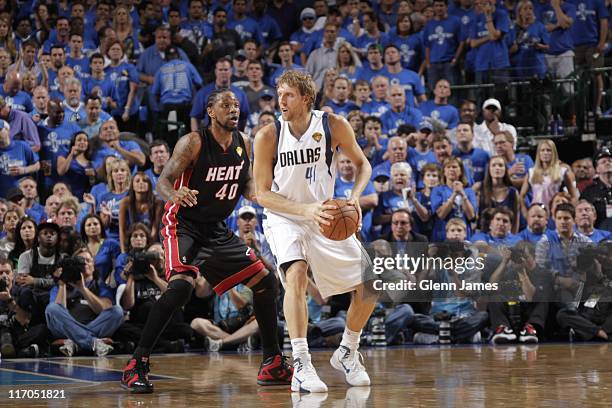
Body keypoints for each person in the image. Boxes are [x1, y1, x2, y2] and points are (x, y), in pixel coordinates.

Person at [121, 89, 291, 393]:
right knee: (181, 288)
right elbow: (162, 181)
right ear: (210, 111)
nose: (233, 109)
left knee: (267, 283)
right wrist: (176, 194)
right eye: (226, 105)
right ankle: (137, 363)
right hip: (183, 225)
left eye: (237, 105)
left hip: (216, 230)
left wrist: (270, 198)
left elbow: (249, 184)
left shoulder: (243, 143)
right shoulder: (194, 142)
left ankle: (272, 363)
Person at [254, 71, 376, 393]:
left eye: (289, 95)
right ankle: (301, 364)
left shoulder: (333, 125)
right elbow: (262, 193)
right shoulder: (268, 135)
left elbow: (363, 165)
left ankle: (348, 350)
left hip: (325, 214)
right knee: (296, 274)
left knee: (371, 285)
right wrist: (305, 210)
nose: (281, 100)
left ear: (307, 98)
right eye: (279, 94)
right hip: (285, 216)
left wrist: (353, 197)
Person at [45, 247, 123, 357]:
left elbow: (104, 309)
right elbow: (58, 311)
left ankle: (75, 343)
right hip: (66, 329)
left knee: (117, 311)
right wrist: (62, 283)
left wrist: (83, 288)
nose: (85, 263)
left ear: (94, 265)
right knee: (52, 308)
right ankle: (93, 343)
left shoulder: (100, 285)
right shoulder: (61, 286)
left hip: (94, 326)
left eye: (88, 260)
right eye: (81, 261)